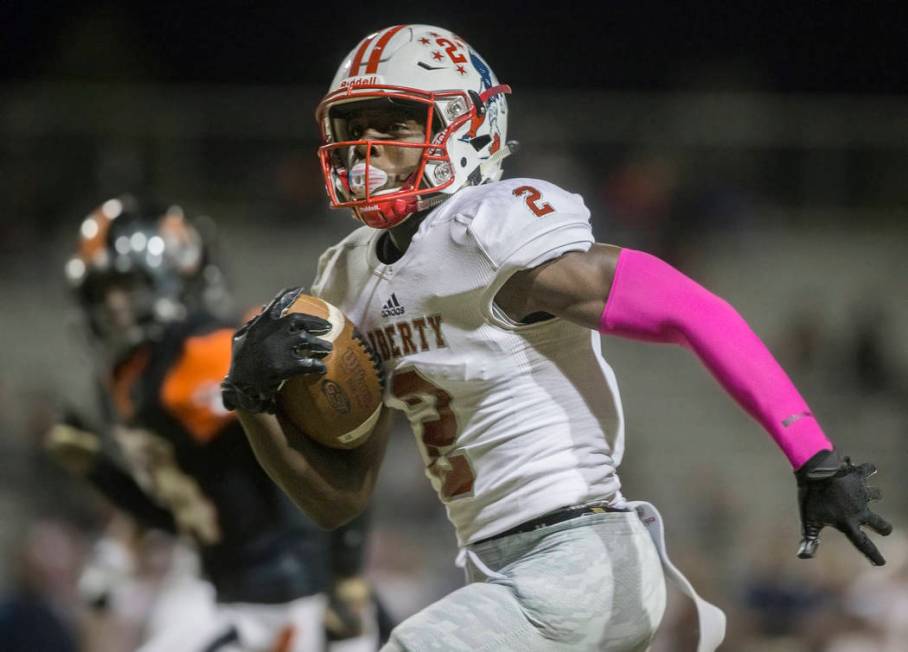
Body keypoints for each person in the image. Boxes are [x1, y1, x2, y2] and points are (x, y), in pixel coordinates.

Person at [220, 25, 892, 651]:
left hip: (585, 559)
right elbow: (337, 500)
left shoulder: (488, 230)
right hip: (502, 574)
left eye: (394, 122)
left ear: (467, 125)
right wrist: (252, 398)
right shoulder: (347, 275)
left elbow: (694, 310)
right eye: (352, 125)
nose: (367, 145)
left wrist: (814, 457)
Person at [51, 195, 385, 651]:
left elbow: (331, 451)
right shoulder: (124, 376)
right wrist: (101, 472)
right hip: (228, 591)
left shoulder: (206, 354)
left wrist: (346, 577)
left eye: (124, 286)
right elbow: (186, 516)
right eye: (100, 292)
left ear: (172, 275)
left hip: (291, 598)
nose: (112, 306)